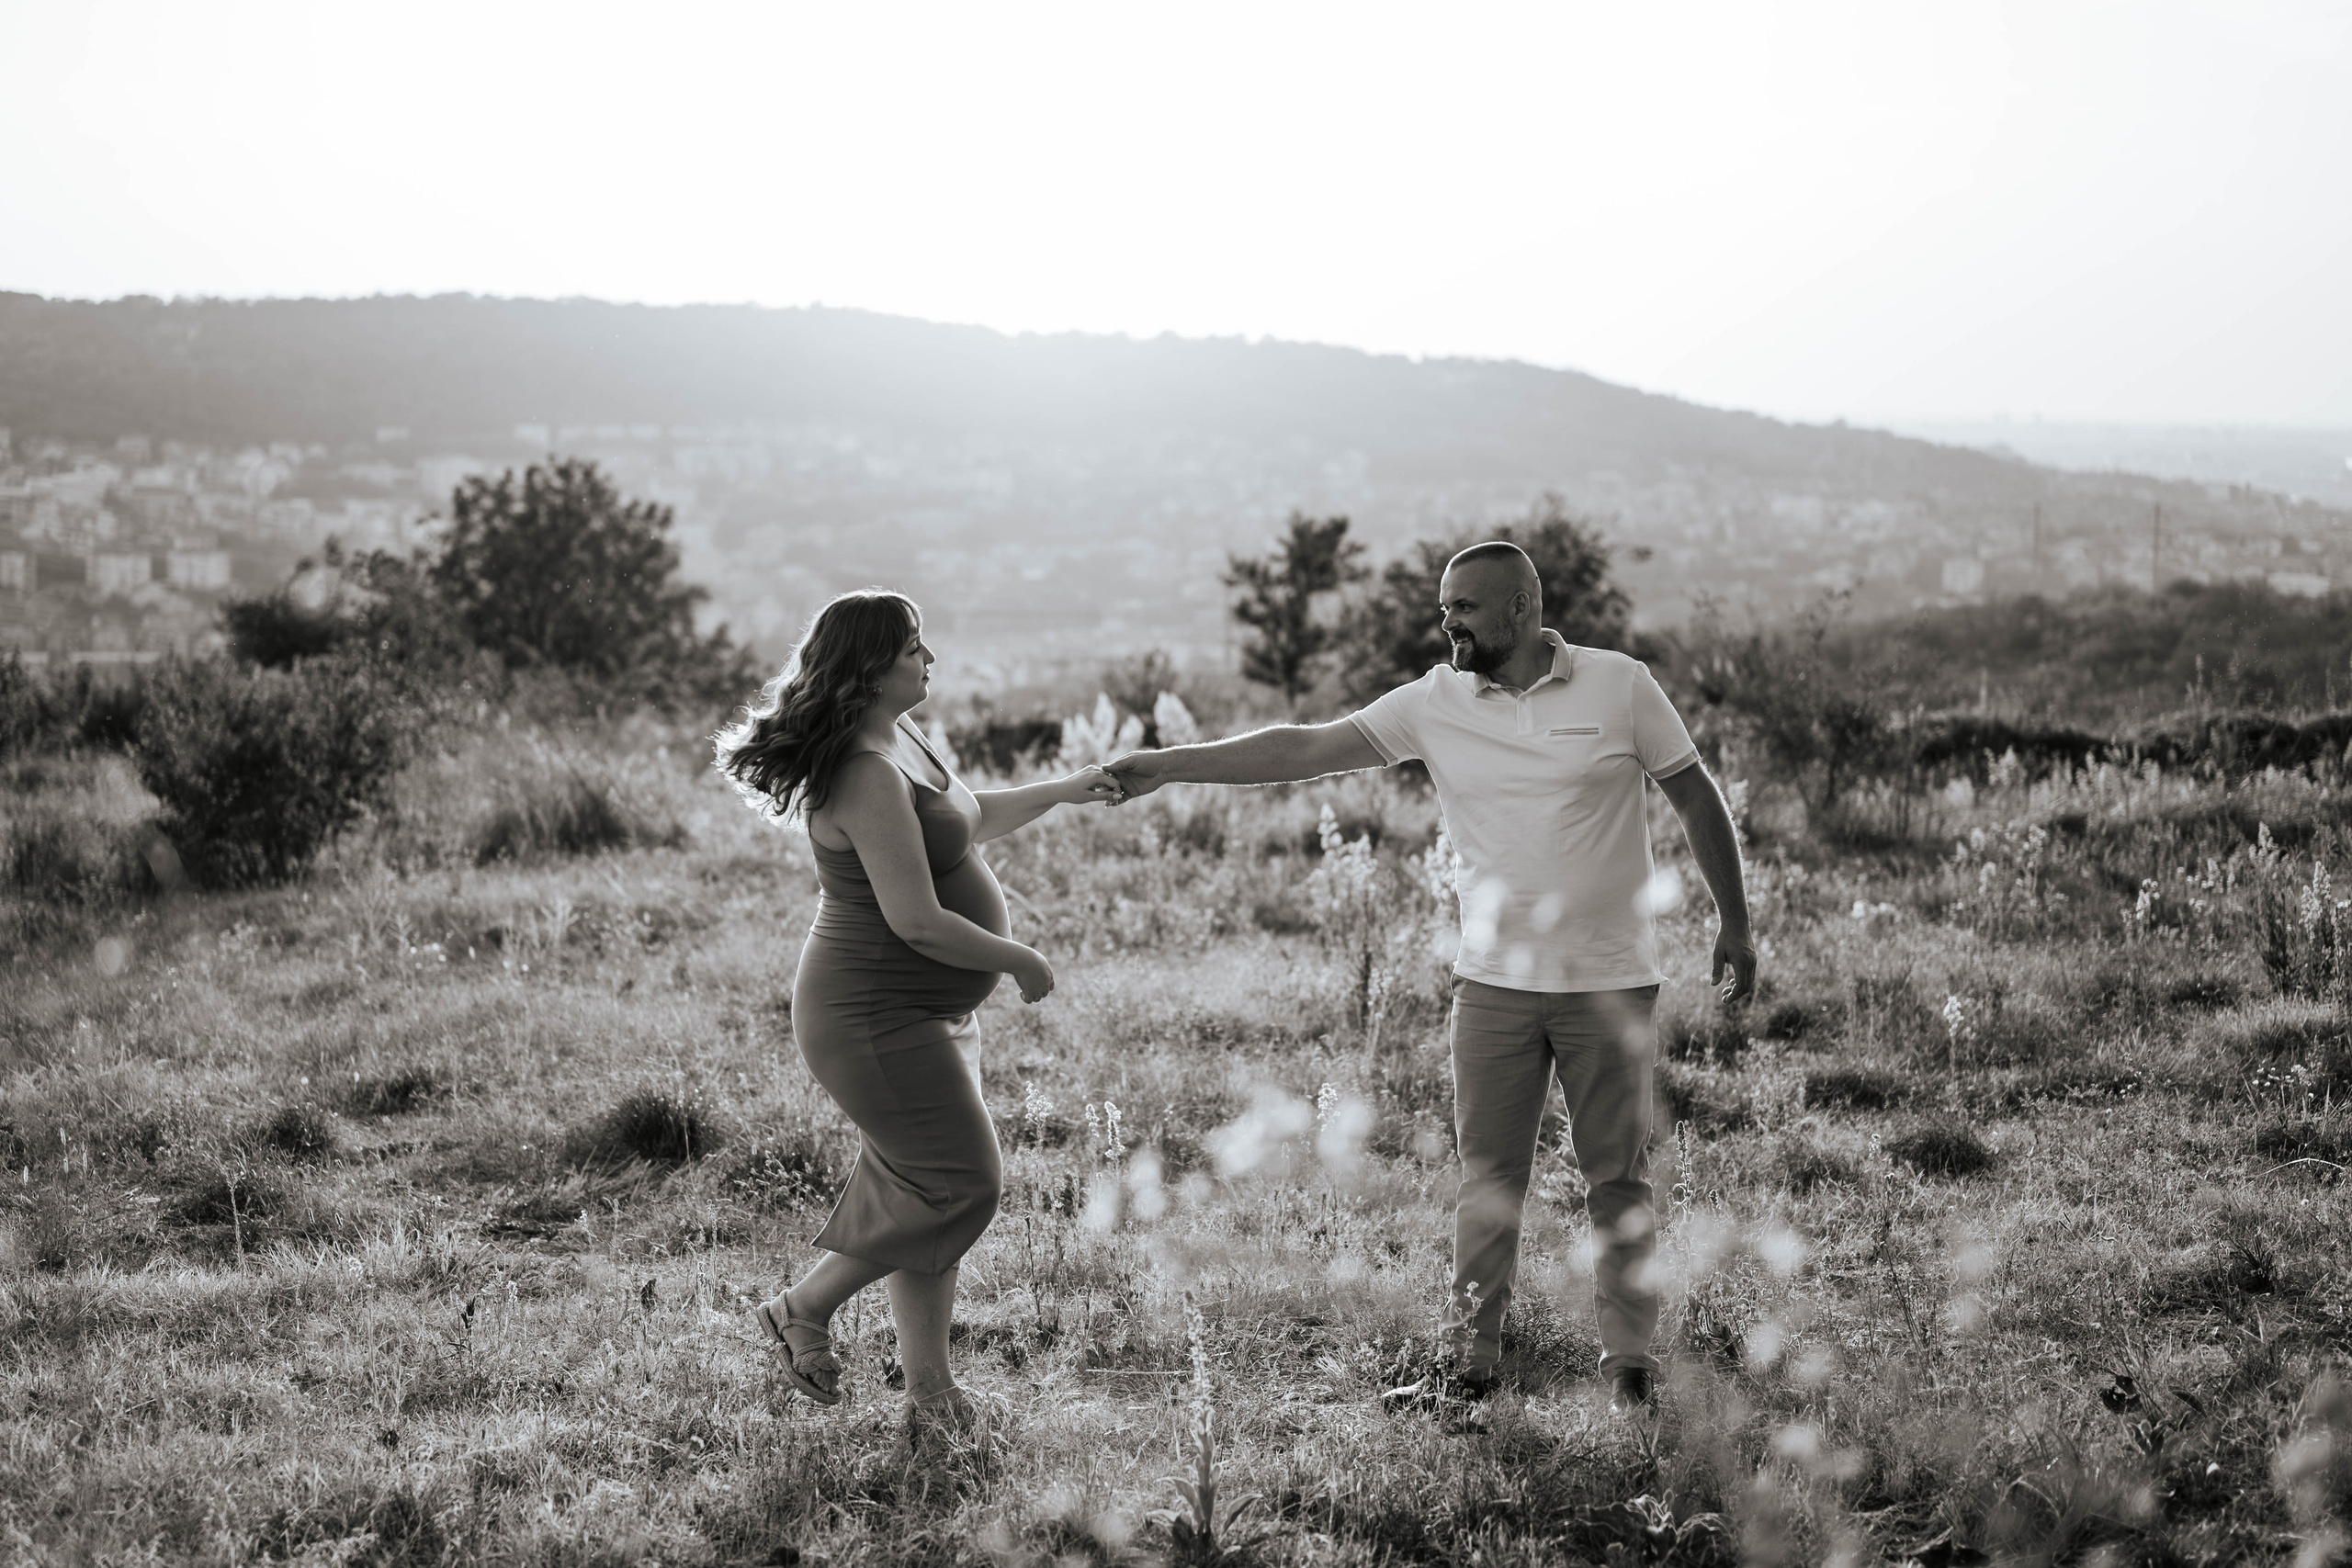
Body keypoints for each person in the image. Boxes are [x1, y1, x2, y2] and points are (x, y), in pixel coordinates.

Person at [1107, 542, 1754, 1413]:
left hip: (1609, 982)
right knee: (1487, 1181)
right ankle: (1468, 1373)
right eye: (1443, 607)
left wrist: (1735, 921)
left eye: (1465, 609)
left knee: (1618, 1179)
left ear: (1521, 610)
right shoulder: (1434, 701)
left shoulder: (1620, 684)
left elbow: (1694, 792)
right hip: (1490, 986)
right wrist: (1171, 762)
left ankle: (1629, 1373)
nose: (1446, 622)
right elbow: (1304, 747)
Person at [713, 589, 1121, 1443]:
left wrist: (1067, 789)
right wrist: (1020, 959)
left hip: (920, 1012)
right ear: (868, 665)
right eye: (912, 649)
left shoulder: (901, 739)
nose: (928, 660)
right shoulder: (862, 772)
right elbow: (916, 920)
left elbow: (965, 824)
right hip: (870, 1013)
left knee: (923, 1193)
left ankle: (932, 1399)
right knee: (961, 1183)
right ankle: (803, 1305)